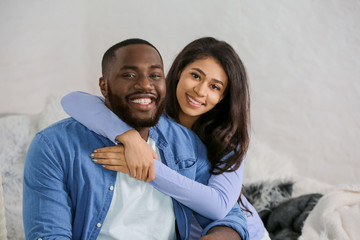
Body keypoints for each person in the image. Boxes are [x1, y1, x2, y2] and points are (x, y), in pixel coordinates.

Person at [23, 38, 248, 240]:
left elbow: (225, 212)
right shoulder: (54, 146)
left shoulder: (200, 144)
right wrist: (130, 139)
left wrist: (149, 168)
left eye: (154, 76)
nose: (145, 85)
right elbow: (73, 100)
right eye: (129, 75)